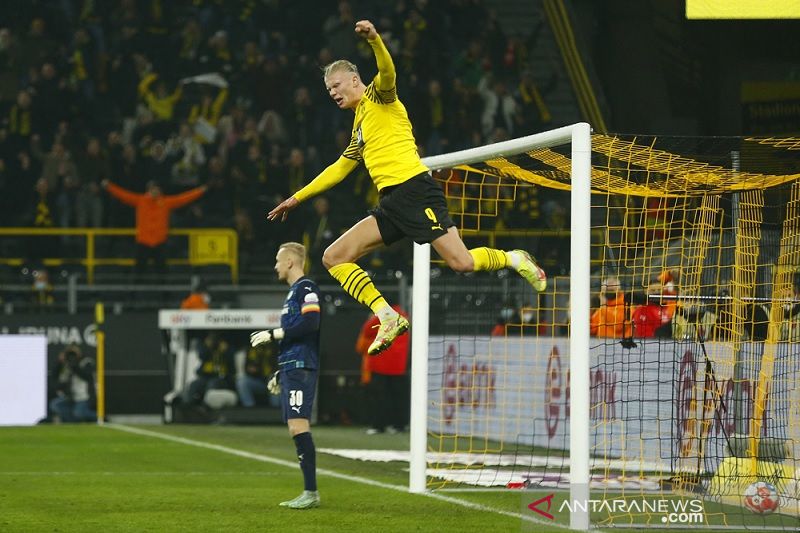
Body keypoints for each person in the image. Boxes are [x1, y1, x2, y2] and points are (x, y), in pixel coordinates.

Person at [267, 20, 546, 357]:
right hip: (391, 203)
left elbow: (387, 72)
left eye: (337, 85)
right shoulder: (359, 124)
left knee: (461, 263)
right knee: (334, 256)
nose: (333, 93)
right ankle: (387, 316)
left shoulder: (379, 98)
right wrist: (297, 198)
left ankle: (514, 258)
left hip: (414, 190)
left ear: (355, 80)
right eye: (329, 90)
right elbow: (340, 168)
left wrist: (374, 41)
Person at [250, 242, 322, 509]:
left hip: (302, 365)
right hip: (293, 365)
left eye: (278, 261)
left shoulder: (306, 288)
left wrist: (273, 334)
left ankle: (311, 492)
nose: (275, 266)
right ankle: (310, 491)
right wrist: (283, 368)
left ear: (291, 262)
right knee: (295, 426)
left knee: (298, 425)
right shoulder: (294, 292)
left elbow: (311, 322)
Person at [102, 179, 206, 282]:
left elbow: (183, 199)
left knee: (162, 271)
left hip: (159, 242)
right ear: (148, 190)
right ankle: (133, 295)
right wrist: (109, 187)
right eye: (152, 189)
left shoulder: (165, 202)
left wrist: (200, 191)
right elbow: (123, 195)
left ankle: (165, 295)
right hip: (143, 241)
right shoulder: (140, 200)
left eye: (156, 189)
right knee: (138, 271)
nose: (154, 191)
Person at [355, 304, 409, 434]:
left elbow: (367, 330)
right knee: (399, 397)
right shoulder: (404, 316)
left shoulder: (382, 314)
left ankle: (379, 425)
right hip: (399, 365)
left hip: (381, 364)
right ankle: (399, 425)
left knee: (379, 397)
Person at [49, 345, 96, 423]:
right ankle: (73, 423)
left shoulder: (86, 362)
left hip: (84, 396)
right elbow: (55, 378)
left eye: (73, 354)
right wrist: (59, 362)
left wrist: (74, 365)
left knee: (79, 413)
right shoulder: (66, 365)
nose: (71, 357)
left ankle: (101, 417)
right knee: (55, 405)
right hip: (71, 397)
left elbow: (87, 376)